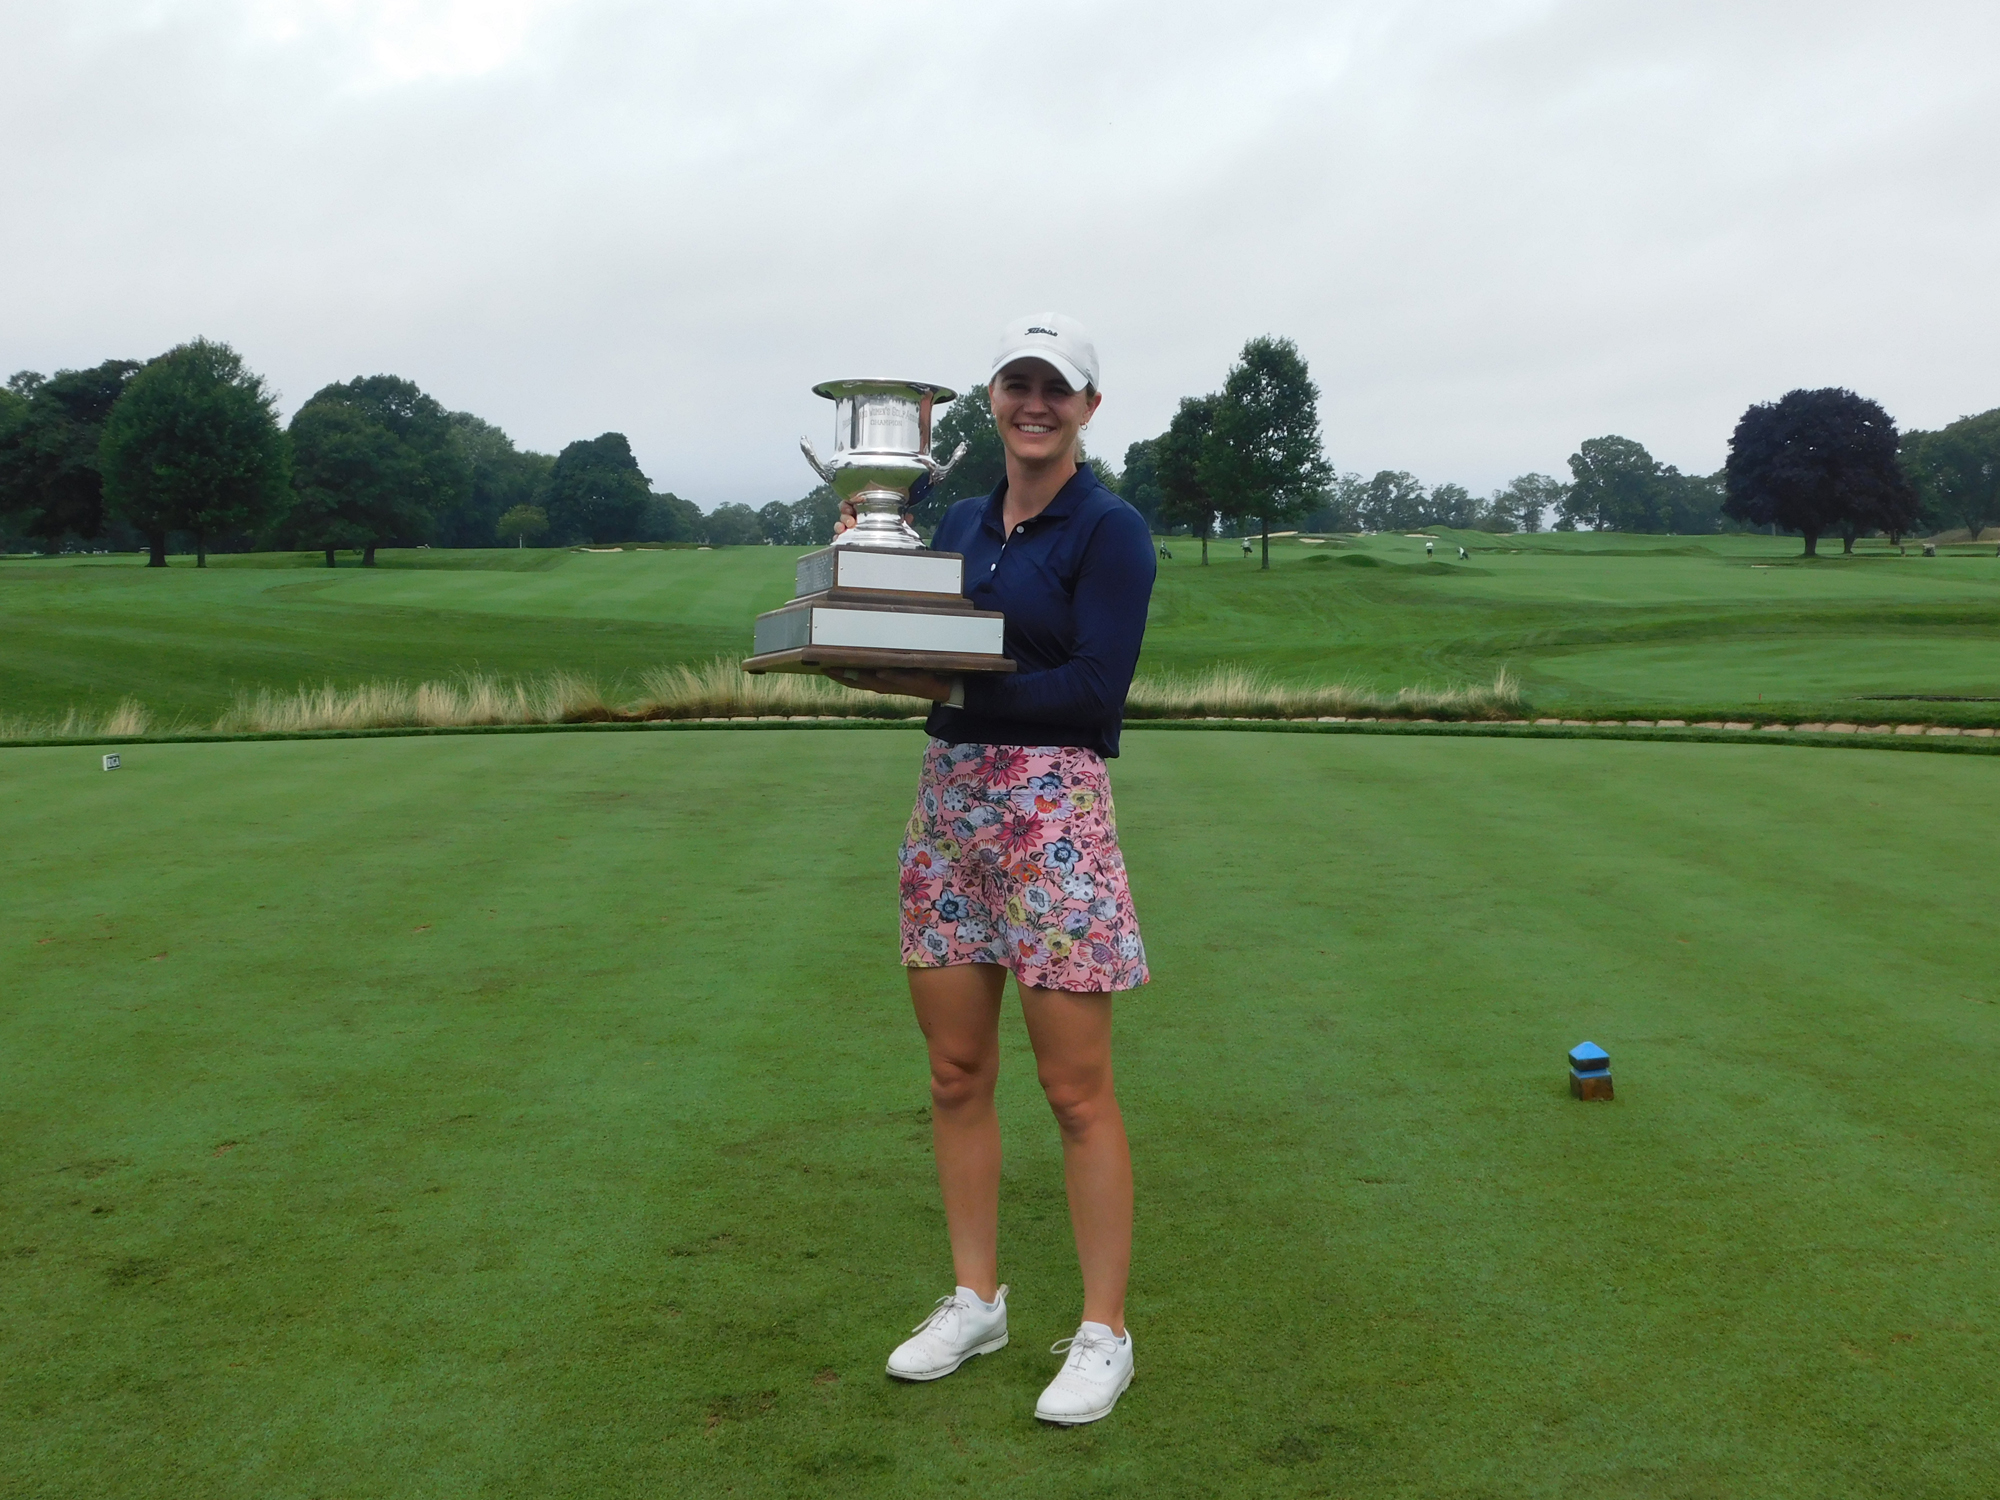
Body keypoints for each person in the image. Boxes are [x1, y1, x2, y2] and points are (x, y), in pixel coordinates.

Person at [829, 312, 1156, 1426]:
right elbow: (905, 630)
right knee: (955, 1073)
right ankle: (977, 1300)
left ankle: (1103, 1332)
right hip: (952, 805)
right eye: (1016, 384)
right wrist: (857, 565)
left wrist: (955, 692)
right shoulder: (958, 519)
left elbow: (1091, 693)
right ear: (992, 399)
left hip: (1052, 806)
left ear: (1086, 409)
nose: (1032, 403)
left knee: (1073, 1089)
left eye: (1054, 389)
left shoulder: (1109, 531)